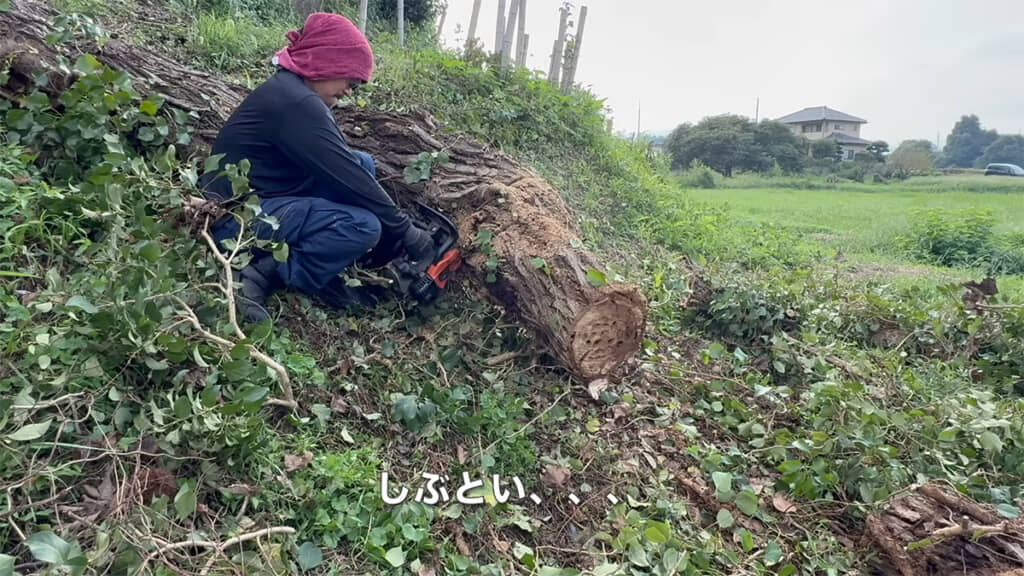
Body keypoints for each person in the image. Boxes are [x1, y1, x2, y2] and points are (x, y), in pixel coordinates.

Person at [199, 12, 434, 323]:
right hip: (236, 221)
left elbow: (347, 166)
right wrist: (406, 231)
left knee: (363, 163)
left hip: (262, 195)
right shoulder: (298, 104)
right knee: (362, 226)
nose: (349, 91)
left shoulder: (291, 90)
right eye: (350, 80)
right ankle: (261, 274)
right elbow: (347, 176)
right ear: (328, 61)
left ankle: (326, 264)